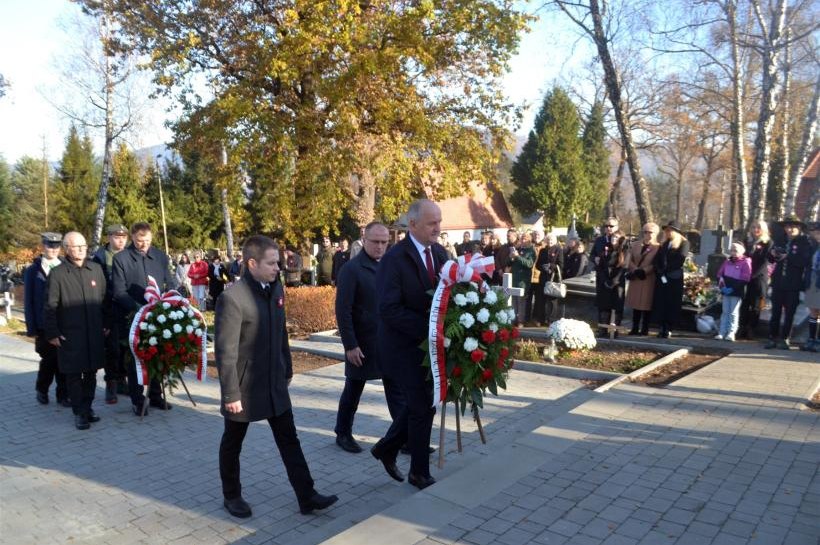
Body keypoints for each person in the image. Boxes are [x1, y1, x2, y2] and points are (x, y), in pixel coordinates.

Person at [216, 235, 337, 517]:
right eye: (272, 263)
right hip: (244, 387)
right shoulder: (232, 298)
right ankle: (231, 495)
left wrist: (288, 367)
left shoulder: (276, 288)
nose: (278, 268)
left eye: (278, 262)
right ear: (252, 263)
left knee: (289, 439)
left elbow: (281, 331)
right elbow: (225, 351)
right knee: (233, 442)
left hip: (274, 382)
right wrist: (230, 394)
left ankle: (307, 496)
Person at [372, 199, 447, 490]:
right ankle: (418, 472)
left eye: (439, 222)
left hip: (428, 347)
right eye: (432, 223)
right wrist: (429, 330)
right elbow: (388, 308)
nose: (438, 229)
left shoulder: (439, 253)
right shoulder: (395, 259)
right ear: (412, 224)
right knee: (421, 406)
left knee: (423, 405)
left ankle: (386, 448)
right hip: (401, 348)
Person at [333, 222, 404, 453]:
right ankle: (343, 433)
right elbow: (343, 311)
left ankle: (405, 437)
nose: (381, 247)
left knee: (397, 393)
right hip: (362, 343)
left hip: (389, 343)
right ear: (364, 240)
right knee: (353, 389)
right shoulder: (352, 269)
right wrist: (350, 345)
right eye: (376, 242)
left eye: (385, 242)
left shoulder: (391, 266)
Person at [43, 232, 108, 430]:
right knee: (73, 376)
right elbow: (50, 306)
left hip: (94, 333)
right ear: (66, 249)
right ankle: (79, 412)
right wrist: (52, 333)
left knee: (91, 374)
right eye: (75, 246)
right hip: (71, 335)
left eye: (83, 246)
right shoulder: (58, 274)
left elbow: (104, 300)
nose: (80, 250)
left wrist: (106, 324)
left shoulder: (96, 269)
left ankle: (87, 408)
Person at [112, 222, 177, 415]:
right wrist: (139, 308)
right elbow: (119, 291)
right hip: (133, 316)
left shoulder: (159, 256)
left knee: (158, 355)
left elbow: (170, 280)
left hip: (158, 316)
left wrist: (173, 297)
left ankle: (155, 395)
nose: (144, 244)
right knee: (135, 359)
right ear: (132, 237)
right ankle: (137, 399)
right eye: (140, 241)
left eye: (147, 241)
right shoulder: (121, 259)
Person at [24, 232, 69, 407]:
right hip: (44, 325)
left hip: (63, 323)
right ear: (43, 246)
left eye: (57, 246)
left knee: (63, 361)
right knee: (49, 361)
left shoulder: (65, 266)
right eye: (50, 245)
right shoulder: (33, 270)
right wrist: (32, 328)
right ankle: (42, 388)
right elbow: (28, 301)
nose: (53, 249)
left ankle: (63, 394)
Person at [92, 223, 129, 403]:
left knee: (125, 348)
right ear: (109, 238)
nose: (120, 240)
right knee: (112, 349)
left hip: (127, 308)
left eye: (123, 237)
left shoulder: (130, 255)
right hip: (110, 309)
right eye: (116, 236)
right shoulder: (99, 258)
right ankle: (111, 384)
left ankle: (122, 381)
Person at [765, 216, 812, 350]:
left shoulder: (804, 242)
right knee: (775, 312)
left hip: (793, 284)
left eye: (792, 227)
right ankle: (772, 337)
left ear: (798, 228)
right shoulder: (780, 240)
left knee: (790, 312)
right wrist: (773, 253)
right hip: (778, 282)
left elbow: (803, 262)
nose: (789, 230)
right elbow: (770, 259)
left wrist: (788, 256)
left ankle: (785, 338)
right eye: (787, 227)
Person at [652, 221, 690, 339]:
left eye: (670, 230)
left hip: (674, 277)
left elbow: (680, 260)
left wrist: (665, 269)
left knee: (671, 303)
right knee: (661, 302)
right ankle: (661, 326)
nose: (667, 232)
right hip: (662, 277)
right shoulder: (665, 244)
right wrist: (659, 269)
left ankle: (669, 327)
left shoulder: (683, 243)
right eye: (666, 230)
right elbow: (657, 258)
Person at [739, 220, 773, 339]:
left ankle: (751, 328)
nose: (755, 230)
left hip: (759, 277)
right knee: (744, 303)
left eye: (758, 227)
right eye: (753, 227)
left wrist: (752, 275)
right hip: (745, 277)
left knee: (757, 304)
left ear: (763, 229)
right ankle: (741, 326)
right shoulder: (746, 241)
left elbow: (765, 261)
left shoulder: (768, 243)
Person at [625, 223, 659, 336]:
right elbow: (628, 259)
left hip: (648, 278)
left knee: (646, 304)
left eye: (651, 232)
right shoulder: (635, 245)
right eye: (645, 232)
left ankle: (644, 329)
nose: (648, 234)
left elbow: (656, 263)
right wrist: (635, 269)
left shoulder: (658, 247)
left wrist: (645, 271)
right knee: (636, 304)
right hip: (636, 278)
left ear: (656, 234)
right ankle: (634, 328)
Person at [714, 243, 752, 342]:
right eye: (732, 250)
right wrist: (722, 286)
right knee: (725, 311)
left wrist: (734, 288)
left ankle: (731, 332)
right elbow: (719, 274)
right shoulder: (727, 261)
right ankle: (722, 332)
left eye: (736, 250)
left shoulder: (745, 262)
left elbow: (745, 278)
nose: (733, 253)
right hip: (726, 289)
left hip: (736, 290)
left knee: (733, 312)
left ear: (741, 251)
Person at [595, 231, 627, 337]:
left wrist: (614, 281)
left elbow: (623, 268)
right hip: (605, 280)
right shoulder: (606, 249)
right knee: (604, 305)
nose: (613, 239)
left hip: (617, 282)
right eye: (613, 237)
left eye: (616, 237)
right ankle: (603, 329)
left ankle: (614, 331)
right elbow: (600, 266)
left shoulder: (624, 251)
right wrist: (604, 280)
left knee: (617, 306)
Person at [534, 233, 564, 326]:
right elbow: (538, 264)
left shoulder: (559, 249)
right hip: (543, 278)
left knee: (552, 300)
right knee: (540, 299)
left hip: (553, 278)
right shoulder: (543, 250)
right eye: (548, 240)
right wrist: (544, 267)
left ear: (555, 241)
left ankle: (551, 320)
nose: (550, 241)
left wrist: (551, 266)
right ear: (546, 240)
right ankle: (540, 319)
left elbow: (561, 264)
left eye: (552, 240)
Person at [509, 232, 535, 325]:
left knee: (521, 301)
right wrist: (511, 257)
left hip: (523, 280)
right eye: (522, 239)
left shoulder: (531, 251)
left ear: (529, 240)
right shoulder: (518, 249)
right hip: (514, 279)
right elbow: (509, 263)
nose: (523, 241)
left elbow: (529, 264)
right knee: (513, 301)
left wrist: (518, 257)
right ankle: (513, 319)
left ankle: (521, 321)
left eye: (525, 239)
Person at [802, 222, 820, 352]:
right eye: (816, 232)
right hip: (813, 280)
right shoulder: (812, 246)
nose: (817, 235)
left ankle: (819, 340)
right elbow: (808, 263)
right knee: (813, 311)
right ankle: (811, 339)